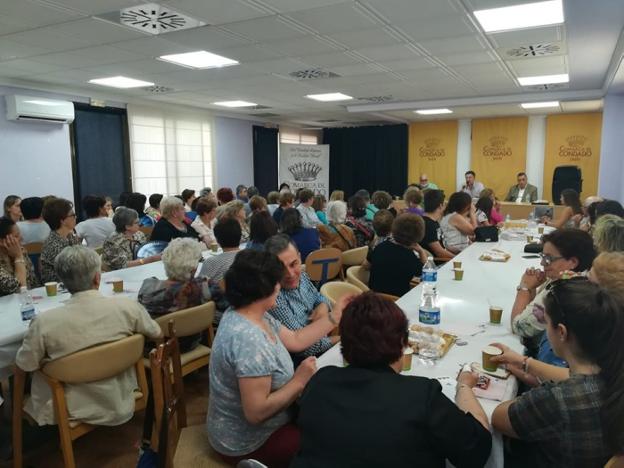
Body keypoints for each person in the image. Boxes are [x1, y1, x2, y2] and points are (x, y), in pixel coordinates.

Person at [293, 293, 492, 468]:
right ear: (403, 344)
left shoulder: (320, 381)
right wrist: (464, 386)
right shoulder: (421, 396)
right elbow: (476, 451)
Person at [207, 249, 348, 467]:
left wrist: (334, 316)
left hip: (261, 426)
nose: (280, 287)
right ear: (267, 288)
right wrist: (299, 380)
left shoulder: (250, 311)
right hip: (248, 442)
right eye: (277, 282)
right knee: (332, 443)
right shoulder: (249, 340)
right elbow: (255, 413)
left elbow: (296, 339)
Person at [477, 281, 623, 467]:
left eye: (547, 323)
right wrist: (524, 363)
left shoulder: (557, 399)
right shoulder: (612, 375)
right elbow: (572, 378)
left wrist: (464, 385)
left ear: (561, 332)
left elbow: (498, 417)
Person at [15, 245, 161, 426]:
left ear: (62, 281)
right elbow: (156, 332)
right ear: (98, 278)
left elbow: (25, 364)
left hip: (69, 403)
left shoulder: (44, 323)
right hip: (123, 393)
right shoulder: (127, 307)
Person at [511, 229, 596, 355]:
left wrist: (524, 288)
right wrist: (533, 288)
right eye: (543, 256)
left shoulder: (562, 290)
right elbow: (531, 313)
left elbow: (519, 327)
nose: (542, 263)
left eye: (548, 258)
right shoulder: (582, 279)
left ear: (572, 262)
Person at [138, 238, 221, 351]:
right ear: (194, 268)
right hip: (191, 343)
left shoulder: (148, 287)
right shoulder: (203, 286)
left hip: (158, 349)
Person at [265, 235, 338, 361]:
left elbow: (319, 297)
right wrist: (338, 339)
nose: (290, 274)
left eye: (293, 264)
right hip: (307, 359)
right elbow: (306, 348)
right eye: (281, 268)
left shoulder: (302, 277)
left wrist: (323, 306)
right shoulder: (273, 298)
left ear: (299, 257)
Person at [368, 213, 424, 297]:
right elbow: (428, 273)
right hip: (397, 300)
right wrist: (421, 252)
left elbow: (368, 265)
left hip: (374, 297)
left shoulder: (380, 247)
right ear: (418, 235)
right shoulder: (410, 258)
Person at [40, 198, 81, 283]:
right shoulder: (53, 245)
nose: (75, 217)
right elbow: (72, 270)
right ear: (62, 220)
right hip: (61, 288)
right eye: (73, 215)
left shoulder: (70, 237)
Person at [0, 217, 38, 296]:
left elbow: (33, 283)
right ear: (1, 241)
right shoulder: (18, 253)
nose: (21, 238)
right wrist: (18, 257)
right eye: (16, 236)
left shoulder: (20, 250)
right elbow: (18, 289)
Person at [199, 217, 242, 283]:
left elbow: (200, 286)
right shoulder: (252, 257)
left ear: (217, 240)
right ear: (240, 235)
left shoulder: (210, 263)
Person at [420, 190, 455, 261]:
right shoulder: (429, 225)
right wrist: (458, 258)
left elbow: (443, 245)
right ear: (441, 206)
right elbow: (439, 252)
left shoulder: (431, 222)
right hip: (437, 263)